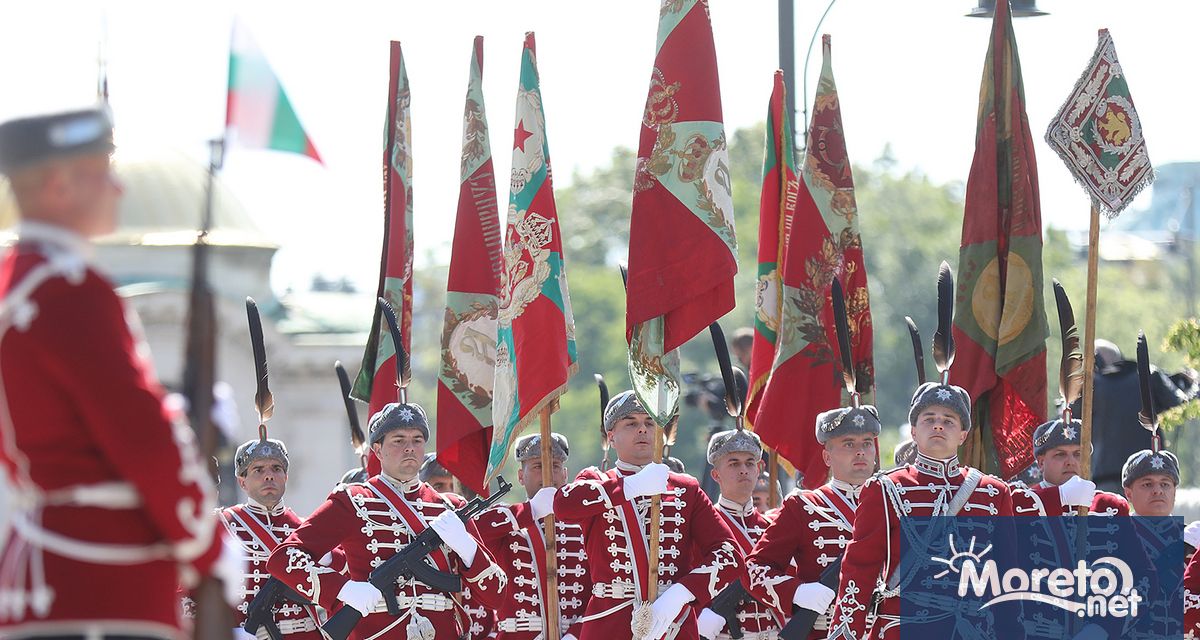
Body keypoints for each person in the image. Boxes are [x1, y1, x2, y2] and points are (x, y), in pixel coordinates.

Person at [0, 108, 238, 639]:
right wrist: (208, 547)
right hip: (105, 581)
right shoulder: (70, 290)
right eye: (102, 171)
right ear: (60, 184)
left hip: (36, 573)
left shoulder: (15, 287)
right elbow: (142, 439)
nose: (118, 186)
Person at [266, 401, 506, 639]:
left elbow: (496, 595)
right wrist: (342, 589)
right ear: (378, 450)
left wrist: (469, 549)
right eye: (398, 440)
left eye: (417, 440)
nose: (409, 448)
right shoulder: (353, 501)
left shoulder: (451, 507)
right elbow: (283, 558)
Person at [826, 380, 1018, 640]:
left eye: (949, 420)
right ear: (914, 431)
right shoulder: (885, 488)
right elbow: (859, 569)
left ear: (963, 434)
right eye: (929, 419)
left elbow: (1006, 574)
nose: (938, 425)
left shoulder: (994, 492)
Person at [554, 390, 742, 640]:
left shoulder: (685, 488)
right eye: (631, 423)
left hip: (672, 621)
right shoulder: (596, 482)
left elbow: (730, 555)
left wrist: (682, 593)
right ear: (612, 436)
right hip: (610, 622)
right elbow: (564, 505)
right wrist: (630, 487)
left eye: (649, 423)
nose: (642, 429)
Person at [746, 401, 881, 640]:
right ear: (827, 457)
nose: (860, 451)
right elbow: (754, 570)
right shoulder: (804, 506)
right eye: (849, 443)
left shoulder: (895, 503)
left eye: (867, 443)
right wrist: (798, 592)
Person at [223, 435, 344, 640]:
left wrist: (327, 556)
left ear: (286, 477)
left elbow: (345, 569)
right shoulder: (225, 524)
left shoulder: (305, 527)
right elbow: (191, 591)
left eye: (276, 469)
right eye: (258, 470)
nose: (269, 476)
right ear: (242, 481)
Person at [473, 432, 589, 640]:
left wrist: (574, 636)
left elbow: (600, 589)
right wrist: (531, 511)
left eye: (554, 466)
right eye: (537, 466)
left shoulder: (583, 523)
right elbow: (473, 530)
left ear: (565, 474)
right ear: (520, 476)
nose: (547, 474)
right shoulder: (509, 522)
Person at [1074, 339, 1196, 493]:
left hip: (1107, 478)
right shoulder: (1149, 376)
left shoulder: (1090, 387)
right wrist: (1193, 385)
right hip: (1149, 477)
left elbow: (1069, 419)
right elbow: (1181, 403)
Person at [694, 429, 782, 639]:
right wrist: (697, 617)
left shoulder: (774, 527)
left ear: (759, 469)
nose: (743, 470)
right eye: (734, 463)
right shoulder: (702, 525)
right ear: (716, 474)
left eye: (749, 463)